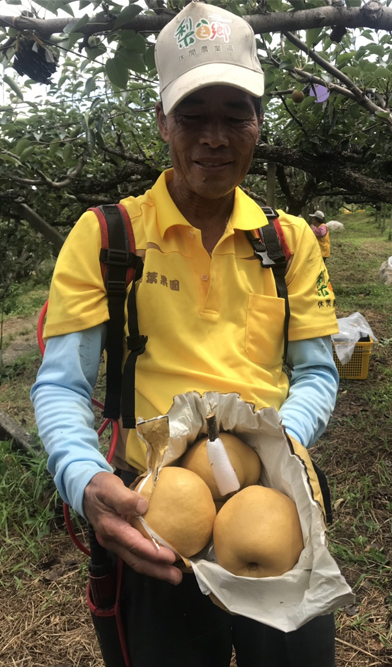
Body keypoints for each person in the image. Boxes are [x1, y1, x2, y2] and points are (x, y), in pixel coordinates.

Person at [31, 4, 340, 666]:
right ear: (163, 122)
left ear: (259, 122)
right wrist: (83, 476)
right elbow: (61, 384)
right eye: (194, 115)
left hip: (273, 503)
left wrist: (279, 444)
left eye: (236, 115)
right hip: (158, 517)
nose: (215, 137)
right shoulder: (110, 238)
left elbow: (317, 371)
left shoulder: (287, 245)